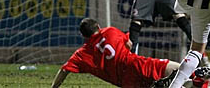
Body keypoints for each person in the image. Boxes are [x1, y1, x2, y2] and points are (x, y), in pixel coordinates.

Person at [51, 17, 180, 88]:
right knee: (181, 69)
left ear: (84, 36)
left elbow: (64, 70)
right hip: (136, 65)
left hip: (125, 82)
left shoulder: (81, 54)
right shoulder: (110, 31)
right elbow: (129, 44)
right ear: (98, 27)